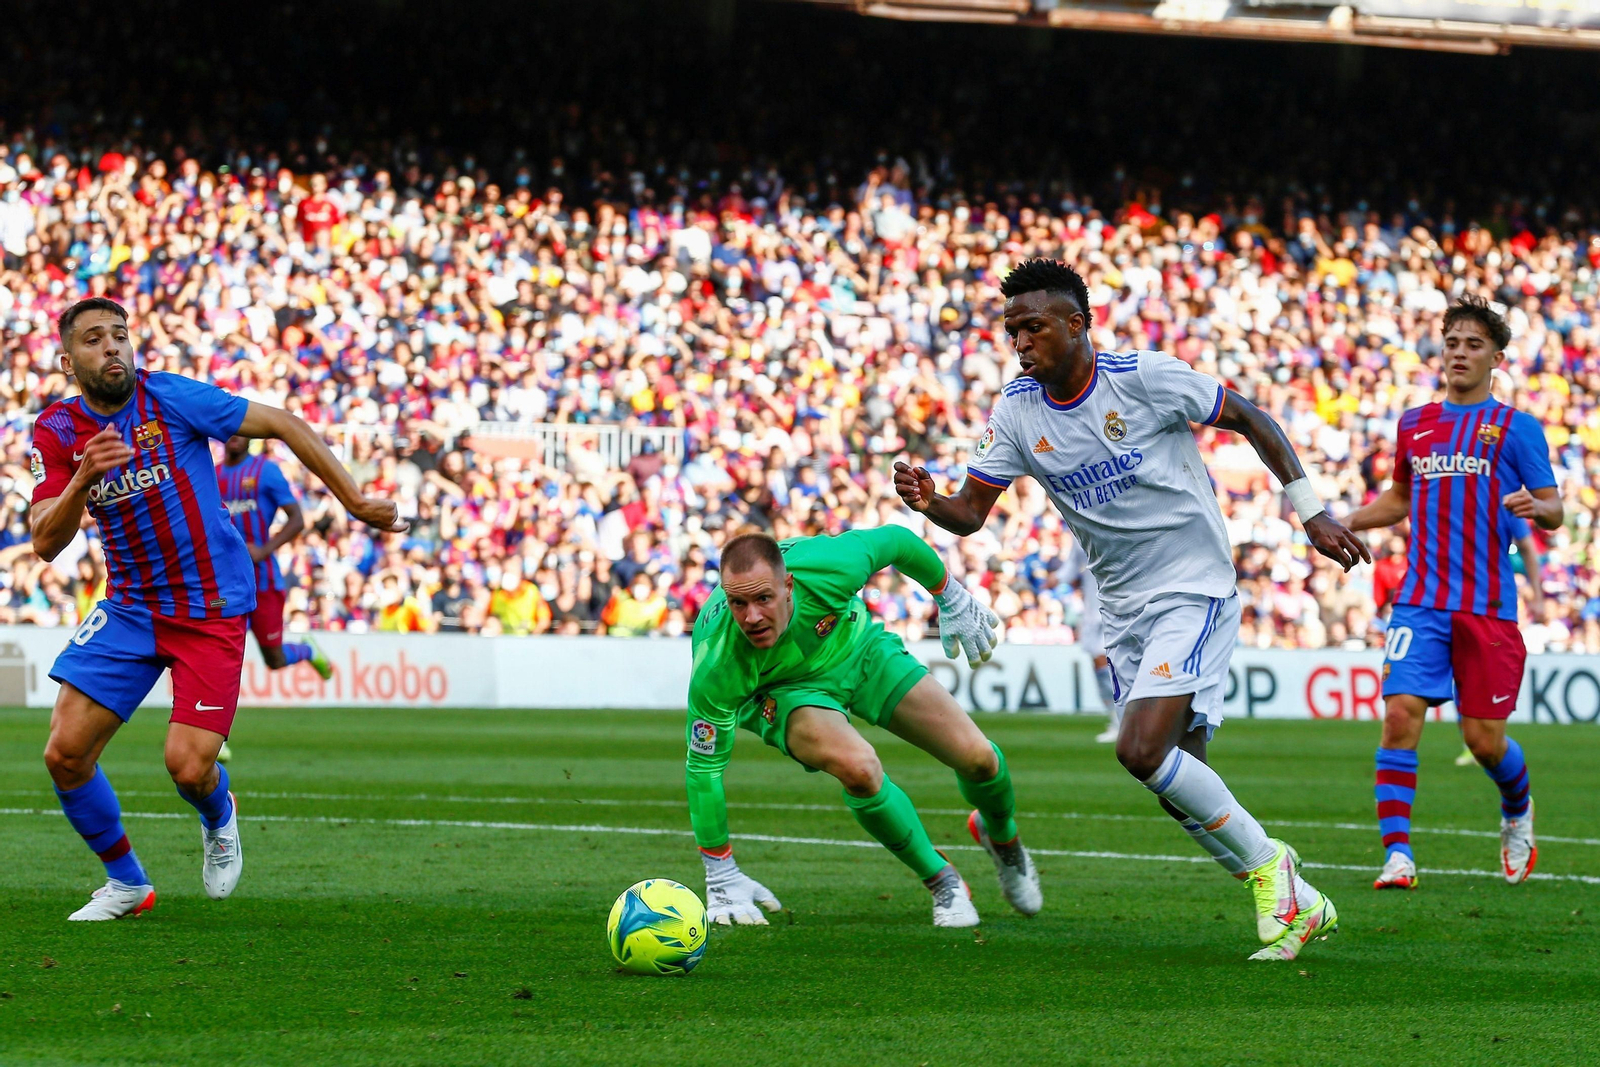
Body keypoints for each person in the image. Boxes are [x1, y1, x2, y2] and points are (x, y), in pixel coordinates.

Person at [894, 259, 1369, 962]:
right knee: (1179, 783)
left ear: (1077, 324)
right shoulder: (1017, 411)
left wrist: (1312, 512)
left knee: (1138, 750)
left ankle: (1277, 873)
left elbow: (1251, 417)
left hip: (1193, 588)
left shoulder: (1144, 378)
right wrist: (930, 499)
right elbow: (970, 511)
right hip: (1122, 612)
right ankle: (1299, 901)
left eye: (1035, 327)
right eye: (1012, 330)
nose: (1021, 343)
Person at [30, 297, 403, 922]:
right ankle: (127, 883)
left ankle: (218, 814)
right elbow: (44, 540)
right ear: (69, 362)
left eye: (120, 335)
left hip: (210, 605)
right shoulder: (58, 430)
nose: (113, 347)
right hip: (131, 607)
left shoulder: (172, 398)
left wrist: (356, 500)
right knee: (64, 753)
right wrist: (80, 480)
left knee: (188, 767)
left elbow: (283, 422)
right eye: (94, 340)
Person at [685, 526, 1039, 929]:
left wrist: (949, 593)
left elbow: (897, 541)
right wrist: (720, 871)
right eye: (738, 603)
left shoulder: (830, 565)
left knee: (977, 758)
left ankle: (1003, 838)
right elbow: (703, 770)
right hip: (784, 691)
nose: (751, 617)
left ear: (788, 585)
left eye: (764, 598)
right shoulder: (716, 659)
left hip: (859, 651)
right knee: (859, 768)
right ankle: (942, 879)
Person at [1348, 296, 1560, 890]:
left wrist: (1534, 506)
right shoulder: (1414, 424)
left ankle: (1517, 808)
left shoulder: (1518, 429)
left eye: (1473, 344)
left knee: (1483, 741)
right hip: (1421, 601)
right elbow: (1399, 497)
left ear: (1496, 356)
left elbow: (1555, 509)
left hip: (1488, 608)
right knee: (1398, 718)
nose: (1460, 353)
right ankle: (1397, 855)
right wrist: (1343, 520)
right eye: (1452, 343)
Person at [216, 435, 333, 677]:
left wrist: (265, 549)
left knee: (275, 659)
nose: (235, 436)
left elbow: (297, 518)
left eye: (241, 432)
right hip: (224, 581)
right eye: (229, 431)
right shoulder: (212, 474)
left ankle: (307, 651)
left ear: (251, 438)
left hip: (263, 579)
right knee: (218, 648)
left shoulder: (266, 471)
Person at [1063, 539, 1120, 742]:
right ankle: (1118, 719)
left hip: (1115, 608)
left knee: (1108, 665)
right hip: (1094, 610)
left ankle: (1121, 721)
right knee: (1101, 666)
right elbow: (1071, 568)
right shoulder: (1078, 532)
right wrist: (1056, 578)